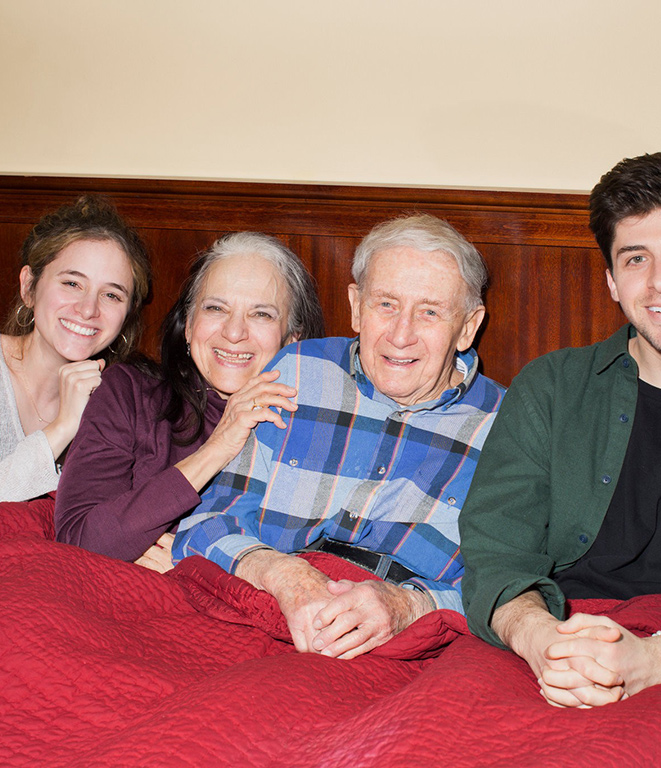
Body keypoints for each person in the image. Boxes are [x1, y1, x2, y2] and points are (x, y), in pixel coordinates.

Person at [460, 151, 661, 708]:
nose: (659, 281)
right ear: (610, 281)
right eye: (635, 259)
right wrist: (542, 642)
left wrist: (660, 660)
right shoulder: (550, 386)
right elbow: (496, 550)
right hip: (548, 641)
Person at [174, 213, 506, 658]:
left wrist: (408, 605)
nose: (401, 334)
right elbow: (205, 524)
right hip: (257, 608)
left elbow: (506, 587)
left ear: (467, 327)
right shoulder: (296, 372)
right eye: (385, 304)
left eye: (429, 312)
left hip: (395, 646)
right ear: (355, 306)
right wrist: (281, 574)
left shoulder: (506, 427)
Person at [55, 232, 324, 572]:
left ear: (292, 336)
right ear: (188, 323)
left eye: (261, 315)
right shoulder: (129, 392)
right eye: (215, 308)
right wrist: (218, 447)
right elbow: (81, 541)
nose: (234, 332)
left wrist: (196, 561)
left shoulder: (319, 423)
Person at [0, 195, 152, 502]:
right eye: (72, 283)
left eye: (111, 295)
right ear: (29, 286)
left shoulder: (122, 400)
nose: (87, 310)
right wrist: (63, 426)